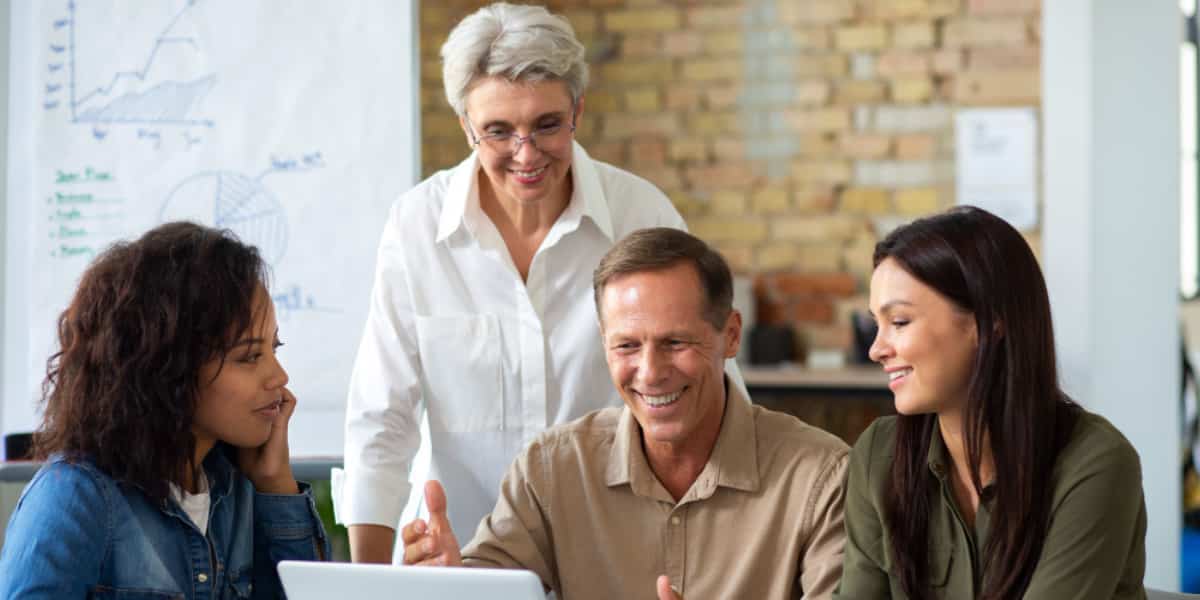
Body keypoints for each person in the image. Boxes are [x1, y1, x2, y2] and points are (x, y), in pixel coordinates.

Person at [337, 2, 734, 561]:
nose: (527, 154)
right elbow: (381, 419)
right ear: (465, 126)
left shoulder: (641, 213)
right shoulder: (416, 227)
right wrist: (370, 587)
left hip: (617, 558)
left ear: (577, 108)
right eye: (498, 131)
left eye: (547, 125)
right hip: (457, 561)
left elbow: (713, 392)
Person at [401, 228, 850, 600]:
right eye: (627, 346)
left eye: (675, 343)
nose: (650, 373)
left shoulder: (821, 477)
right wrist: (448, 579)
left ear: (730, 336)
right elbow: (487, 590)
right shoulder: (552, 469)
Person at [0, 222, 329, 599]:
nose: (279, 376)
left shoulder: (237, 492)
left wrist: (276, 487)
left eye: (275, 347)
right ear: (170, 367)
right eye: (250, 356)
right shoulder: (73, 498)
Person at [834, 206, 1146, 599]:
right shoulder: (878, 455)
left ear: (988, 322)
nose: (877, 349)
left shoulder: (1095, 464)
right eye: (875, 325)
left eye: (898, 322)